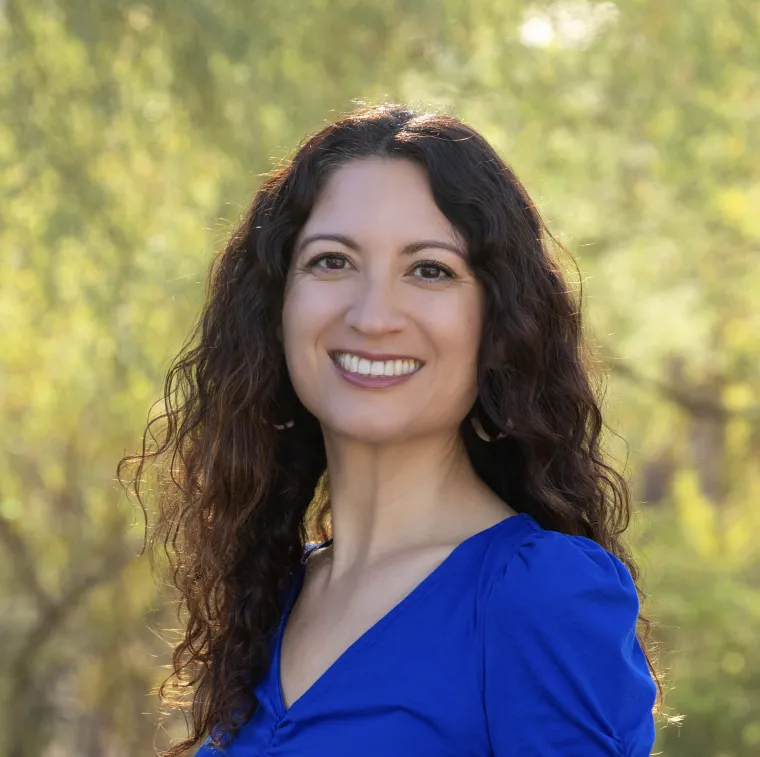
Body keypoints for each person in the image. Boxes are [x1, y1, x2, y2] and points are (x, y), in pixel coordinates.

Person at [118, 102, 662, 756]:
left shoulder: (538, 595)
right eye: (332, 261)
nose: (374, 315)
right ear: (277, 305)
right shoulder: (272, 597)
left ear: (497, 323)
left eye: (429, 269)